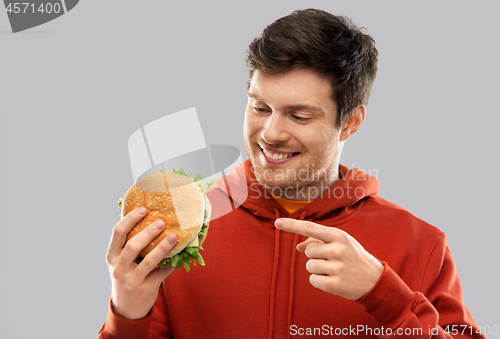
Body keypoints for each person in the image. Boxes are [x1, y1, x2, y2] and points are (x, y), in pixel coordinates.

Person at [98, 8, 484, 339]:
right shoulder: (179, 228)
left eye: (298, 116)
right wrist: (127, 312)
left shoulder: (420, 244)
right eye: (260, 107)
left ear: (350, 123)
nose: (270, 134)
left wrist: (384, 295)